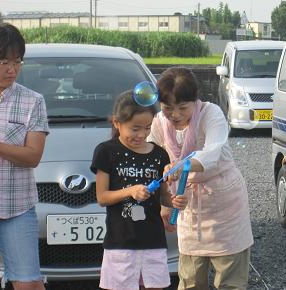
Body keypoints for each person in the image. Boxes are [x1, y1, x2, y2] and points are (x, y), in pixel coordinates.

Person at [148, 67, 253, 290]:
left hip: (224, 204)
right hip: (187, 204)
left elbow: (212, 153)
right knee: (190, 279)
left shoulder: (210, 113)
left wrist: (180, 165)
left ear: (195, 100)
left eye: (182, 108)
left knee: (230, 280)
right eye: (168, 108)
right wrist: (164, 202)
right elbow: (153, 158)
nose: (174, 115)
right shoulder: (158, 122)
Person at [90, 90, 187, 290]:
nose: (142, 134)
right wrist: (130, 191)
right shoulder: (106, 151)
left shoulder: (159, 155)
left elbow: (164, 197)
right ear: (117, 123)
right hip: (121, 243)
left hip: (153, 241)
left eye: (147, 128)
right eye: (134, 128)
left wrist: (175, 201)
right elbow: (102, 197)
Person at [0, 24, 49, 290]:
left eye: (17, 62)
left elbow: (32, 156)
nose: (12, 69)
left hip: (16, 206)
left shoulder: (33, 101)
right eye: (4, 61)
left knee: (28, 283)